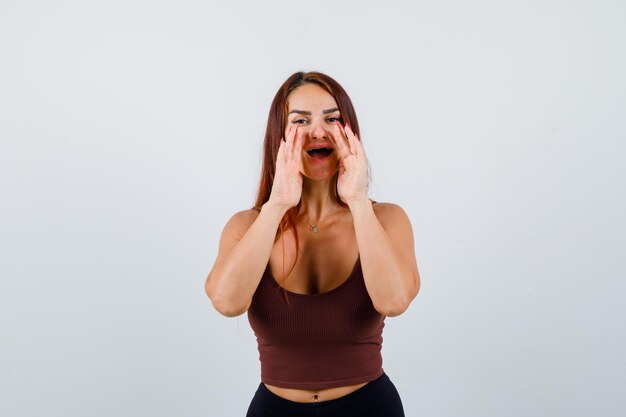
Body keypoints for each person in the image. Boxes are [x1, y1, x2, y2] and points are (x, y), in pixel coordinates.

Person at [205, 71, 421, 416]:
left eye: (332, 119)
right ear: (279, 135)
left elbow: (394, 301)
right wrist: (276, 206)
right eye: (300, 121)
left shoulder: (386, 219)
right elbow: (227, 303)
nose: (318, 131)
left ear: (349, 131)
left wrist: (358, 201)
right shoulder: (246, 225)